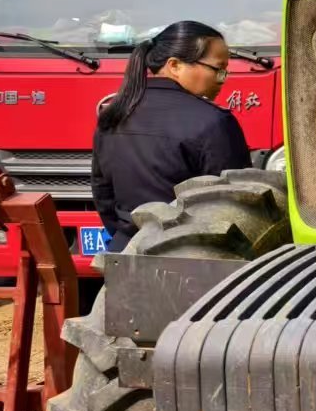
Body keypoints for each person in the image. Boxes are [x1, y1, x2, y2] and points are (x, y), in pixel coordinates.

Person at [92, 21, 249, 252]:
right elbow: (236, 204)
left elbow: (103, 196)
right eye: (218, 69)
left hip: (125, 253)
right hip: (194, 260)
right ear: (174, 65)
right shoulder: (213, 122)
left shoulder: (113, 116)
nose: (222, 79)